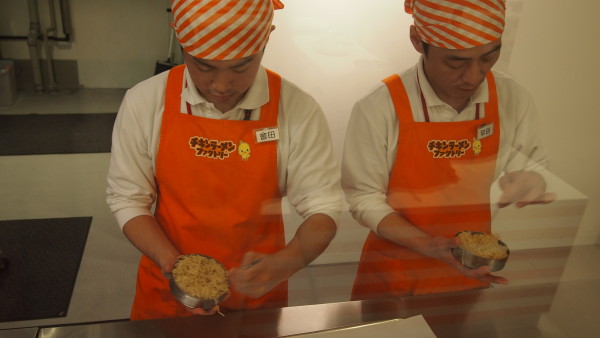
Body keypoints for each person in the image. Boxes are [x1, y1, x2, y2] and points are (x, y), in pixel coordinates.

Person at [106, 0, 343, 320]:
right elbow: (127, 199)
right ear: (181, 44)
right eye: (203, 66)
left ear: (267, 38)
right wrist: (174, 266)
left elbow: (323, 207)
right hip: (168, 294)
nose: (221, 86)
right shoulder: (147, 102)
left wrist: (287, 262)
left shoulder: (296, 109)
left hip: (256, 296)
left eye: (241, 67)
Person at [342, 0, 555, 301]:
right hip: (395, 271)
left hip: (471, 268)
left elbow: (532, 160)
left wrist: (532, 178)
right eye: (455, 62)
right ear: (417, 40)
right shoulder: (380, 107)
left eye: (489, 57)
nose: (473, 76)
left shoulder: (511, 97)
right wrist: (429, 246)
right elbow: (363, 197)